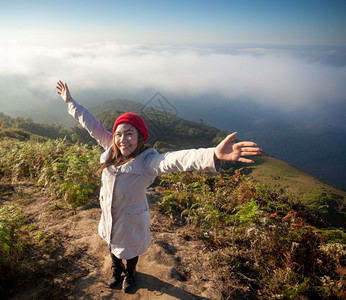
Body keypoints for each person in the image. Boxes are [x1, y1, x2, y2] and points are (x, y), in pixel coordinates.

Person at [56, 80, 261, 293]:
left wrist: (212, 154)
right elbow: (91, 124)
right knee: (111, 243)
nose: (123, 139)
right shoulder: (110, 148)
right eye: (119, 134)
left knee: (131, 250)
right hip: (109, 214)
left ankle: (130, 274)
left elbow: (175, 159)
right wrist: (70, 102)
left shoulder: (147, 162)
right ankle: (116, 271)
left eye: (129, 134)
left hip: (131, 218)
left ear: (139, 137)